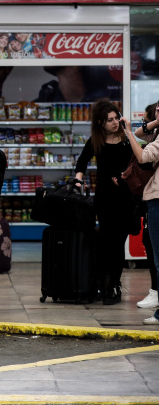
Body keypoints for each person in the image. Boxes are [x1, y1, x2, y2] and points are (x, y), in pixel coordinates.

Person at [75, 99, 135, 305]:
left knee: (118, 243)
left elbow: (138, 162)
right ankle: (104, 283)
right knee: (106, 243)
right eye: (110, 120)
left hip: (125, 198)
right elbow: (82, 162)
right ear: (100, 122)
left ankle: (114, 284)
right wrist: (78, 180)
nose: (115, 122)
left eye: (116, 118)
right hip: (104, 199)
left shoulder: (126, 140)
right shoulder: (96, 141)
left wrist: (125, 176)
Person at [135, 102, 159, 311]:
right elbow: (140, 133)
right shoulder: (155, 131)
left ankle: (156, 293)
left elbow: (143, 156)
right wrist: (155, 123)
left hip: (156, 197)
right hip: (152, 198)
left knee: (156, 254)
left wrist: (127, 131)